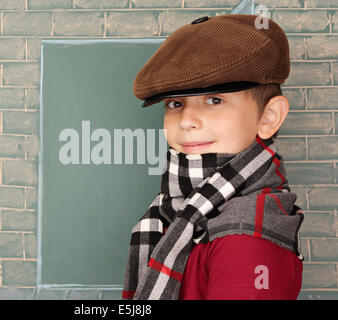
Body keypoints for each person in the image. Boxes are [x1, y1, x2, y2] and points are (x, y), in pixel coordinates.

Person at [122, 13, 305, 300]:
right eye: (175, 103)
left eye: (214, 100)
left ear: (269, 117)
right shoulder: (179, 209)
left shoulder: (246, 235)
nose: (187, 121)